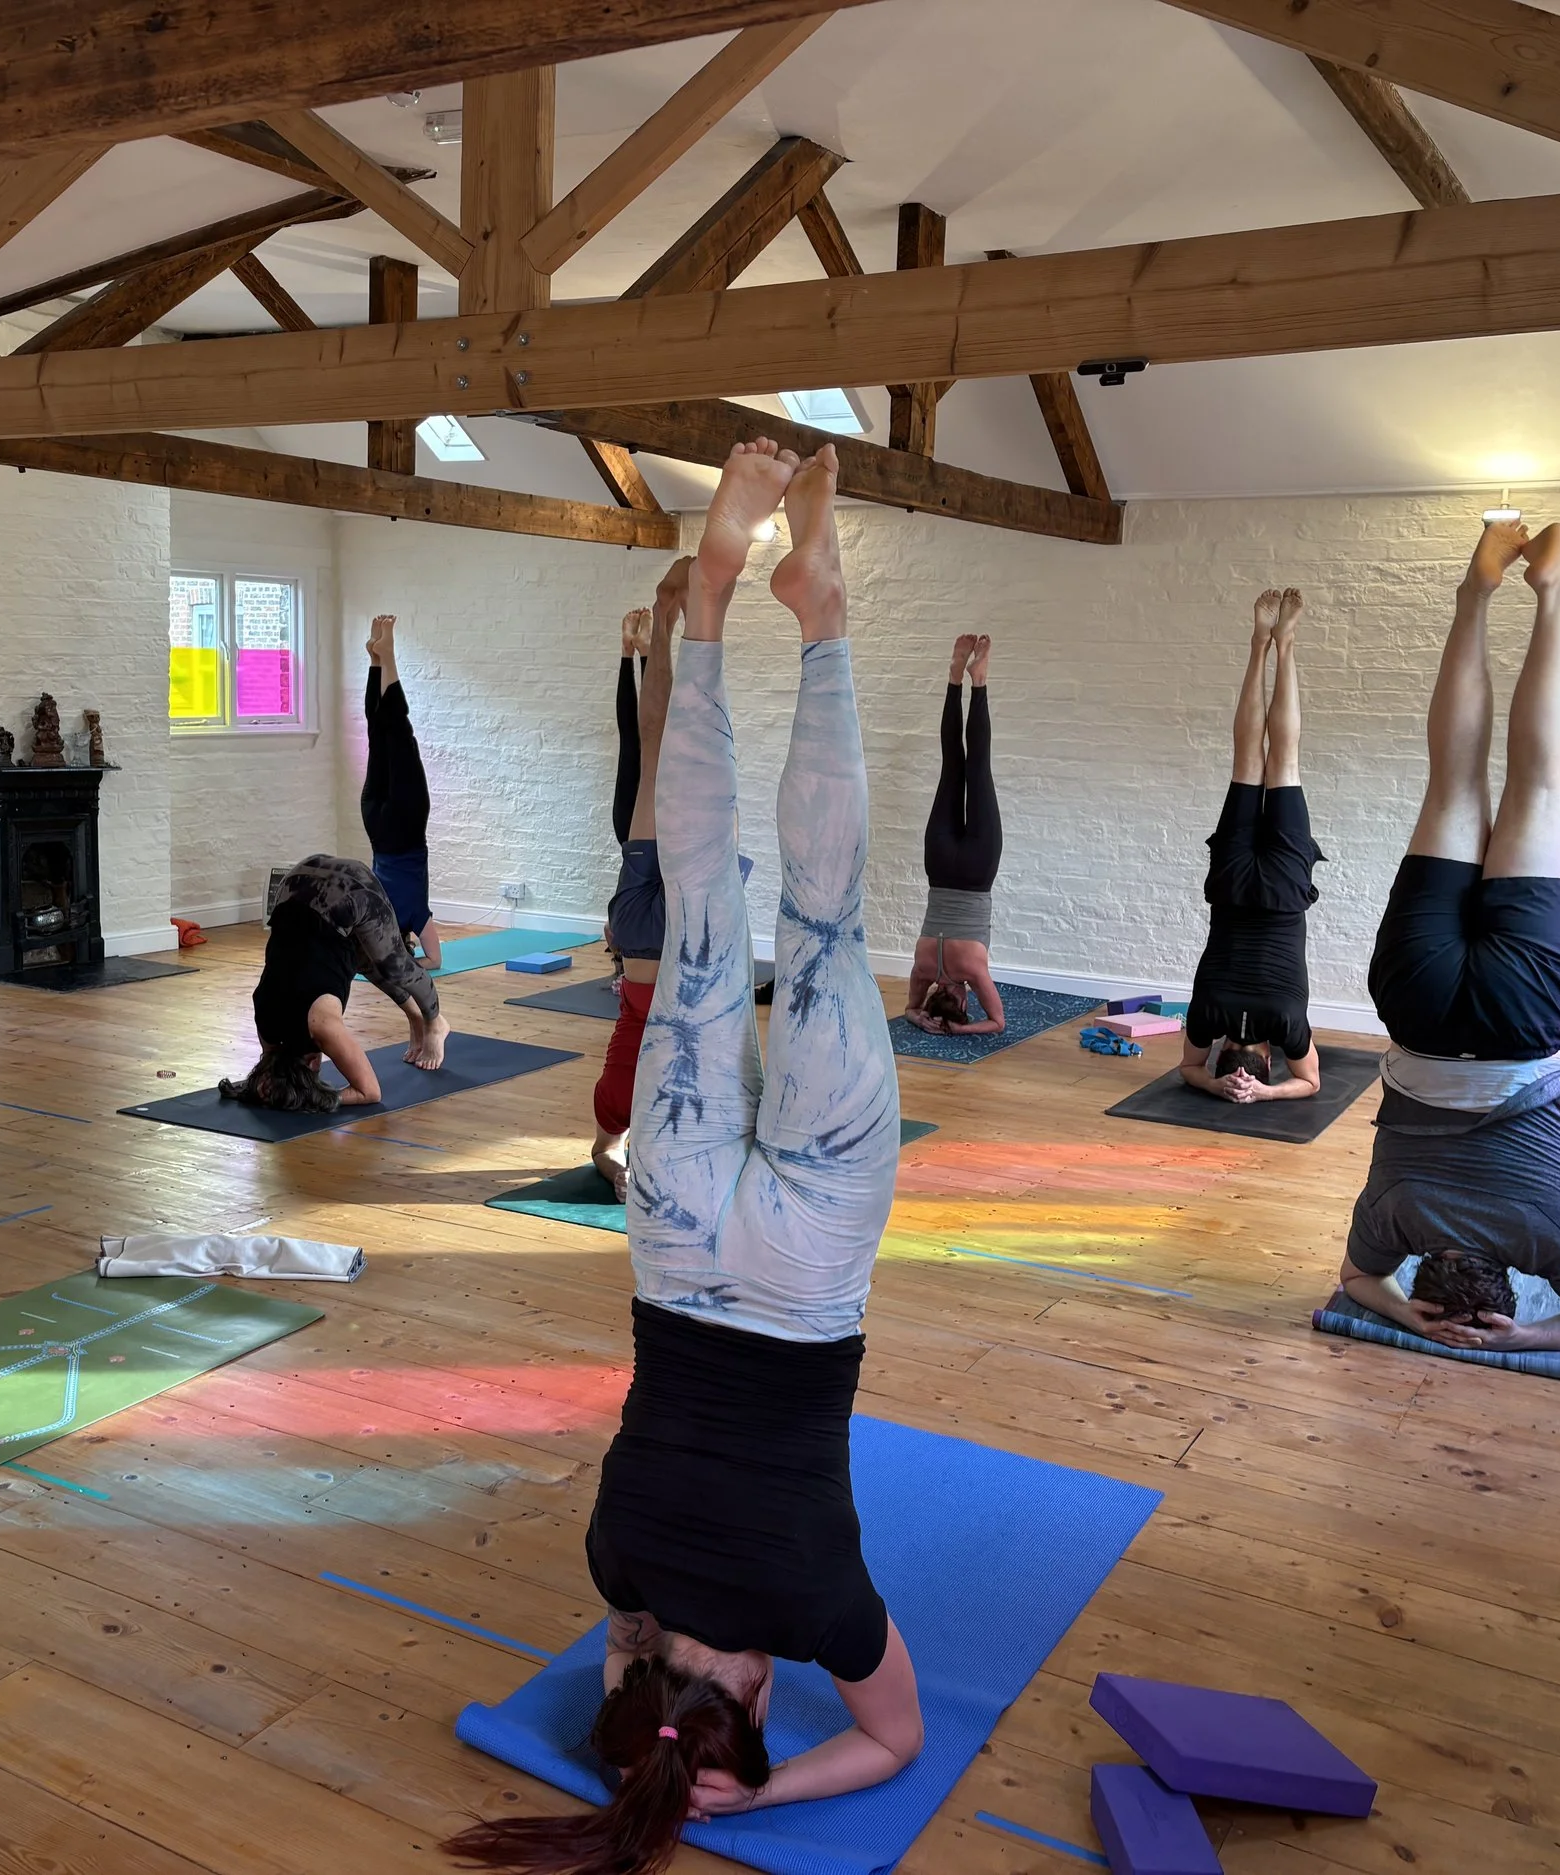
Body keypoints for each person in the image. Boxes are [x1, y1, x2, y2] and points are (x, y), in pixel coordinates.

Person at [445, 441, 923, 1875]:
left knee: (831, 921)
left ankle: (821, 610)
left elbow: (891, 1740)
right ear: (650, 1678)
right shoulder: (618, 1570)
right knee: (703, 911)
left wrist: (756, 1799)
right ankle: (706, 606)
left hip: (807, 1269)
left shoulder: (822, 1608)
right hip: (669, 1235)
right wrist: (646, 1757)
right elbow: (626, 1680)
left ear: (759, 1688)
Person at [1337, 520, 1560, 1356]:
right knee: (1455, 781)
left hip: (1522, 1019)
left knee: (1539, 787)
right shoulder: (1392, 1222)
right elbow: (1359, 1283)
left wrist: (1514, 1341)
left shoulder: (1553, 1239)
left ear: (1513, 1280)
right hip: (1419, 1008)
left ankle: (1554, 590)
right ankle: (1475, 593)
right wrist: (1400, 1310)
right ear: (1425, 1269)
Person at [1177, 589, 1326, 1103]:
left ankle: (1285, 645)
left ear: (1267, 1058)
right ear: (1222, 1050)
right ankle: (1259, 644)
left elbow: (1309, 1083)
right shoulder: (1204, 1018)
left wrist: (1263, 1094)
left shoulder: (1287, 1025)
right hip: (1231, 888)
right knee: (1246, 758)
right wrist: (1216, 1083)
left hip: (1283, 895)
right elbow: (1188, 1070)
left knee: (1283, 759)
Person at [592, 563, 687, 1200]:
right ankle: (667, 634)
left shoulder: (639, 1097)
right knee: (657, 745)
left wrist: (617, 1170)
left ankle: (668, 635)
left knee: (659, 744)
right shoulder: (628, 1100)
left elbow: (604, 1150)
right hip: (642, 930)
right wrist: (618, 1169)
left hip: (660, 927)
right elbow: (603, 1150)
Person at [222, 853, 449, 1113]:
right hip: (296, 881)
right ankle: (414, 1016)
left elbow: (369, 1092)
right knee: (364, 959)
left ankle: (434, 1022)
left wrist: (315, 1098)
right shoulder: (266, 1026)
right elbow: (270, 1064)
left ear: (314, 1065)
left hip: (351, 890)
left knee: (395, 966)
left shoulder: (322, 1026)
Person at [904, 633, 1006, 1036]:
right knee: (952, 765)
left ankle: (978, 680)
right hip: (940, 865)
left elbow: (997, 1023)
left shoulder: (972, 971)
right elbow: (911, 1008)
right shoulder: (923, 966)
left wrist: (960, 1029)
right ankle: (954, 677)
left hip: (978, 871)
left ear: (962, 1000)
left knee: (977, 767)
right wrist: (918, 1015)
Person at [360, 613, 440, 969]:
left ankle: (386, 655)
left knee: (398, 733)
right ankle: (376, 660)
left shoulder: (414, 917)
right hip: (376, 827)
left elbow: (435, 961)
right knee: (377, 735)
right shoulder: (376, 913)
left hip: (406, 827)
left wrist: (412, 962)